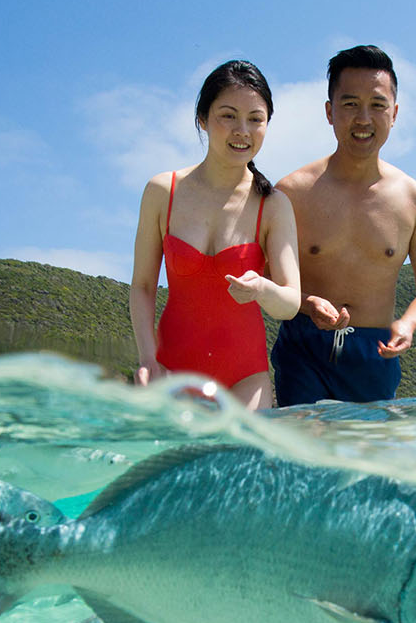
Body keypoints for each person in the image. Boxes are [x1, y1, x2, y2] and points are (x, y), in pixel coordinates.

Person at [271, 45, 416, 407]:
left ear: (394, 113)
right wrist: (305, 304)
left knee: (367, 460)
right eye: (350, 104)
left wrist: (408, 323)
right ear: (329, 112)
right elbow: (263, 275)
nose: (363, 118)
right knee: (304, 456)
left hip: (375, 351)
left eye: (377, 105)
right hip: (304, 346)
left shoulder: (414, 200)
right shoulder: (291, 192)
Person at [129, 60, 302, 411]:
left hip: (245, 381)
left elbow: (290, 303)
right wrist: (148, 359)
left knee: (237, 466)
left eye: (256, 119)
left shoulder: (273, 205)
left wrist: (262, 289)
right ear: (202, 120)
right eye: (228, 116)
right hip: (169, 372)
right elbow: (143, 286)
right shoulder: (163, 191)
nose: (243, 130)